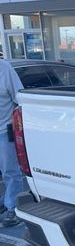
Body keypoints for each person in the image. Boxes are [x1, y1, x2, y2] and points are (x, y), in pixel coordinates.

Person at [0, 59, 24, 227]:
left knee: (10, 171)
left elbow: (19, 97)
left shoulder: (4, 69)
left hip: (3, 130)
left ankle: (13, 208)